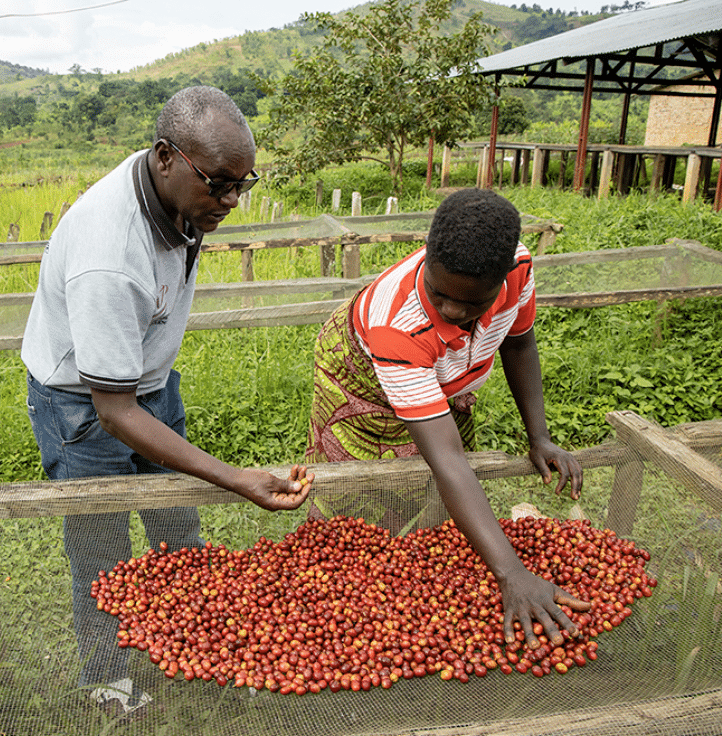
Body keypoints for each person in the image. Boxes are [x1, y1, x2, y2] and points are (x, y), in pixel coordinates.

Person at [21, 85, 312, 719]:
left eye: (244, 183)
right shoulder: (108, 255)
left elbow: (135, 397)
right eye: (219, 185)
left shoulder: (183, 192)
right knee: (102, 549)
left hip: (147, 383)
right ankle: (108, 680)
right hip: (82, 405)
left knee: (179, 527)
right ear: (165, 158)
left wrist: (206, 198)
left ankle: (190, 646)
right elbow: (113, 411)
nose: (232, 201)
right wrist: (234, 476)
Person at [305, 187, 590, 652]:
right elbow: (447, 461)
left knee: (434, 498)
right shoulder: (396, 323)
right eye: (439, 295)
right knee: (362, 498)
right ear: (427, 260)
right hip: (363, 381)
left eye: (472, 304)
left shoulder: (515, 268)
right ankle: (333, 590)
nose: (454, 312)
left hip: (443, 374)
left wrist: (539, 436)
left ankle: (416, 570)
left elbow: (519, 343)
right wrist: (513, 574)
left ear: (499, 282)